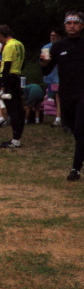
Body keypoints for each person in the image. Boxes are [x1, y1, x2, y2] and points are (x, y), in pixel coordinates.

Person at [41, 11, 84, 180]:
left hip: (82, 93)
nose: (72, 26)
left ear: (81, 25)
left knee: (80, 130)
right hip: (65, 94)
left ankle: (75, 169)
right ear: (65, 26)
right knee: (71, 127)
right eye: (68, 23)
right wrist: (43, 63)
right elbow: (46, 69)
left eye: (75, 23)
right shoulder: (58, 46)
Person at [0, 24, 25, 149]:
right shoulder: (19, 44)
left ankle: (15, 140)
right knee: (19, 107)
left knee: (13, 109)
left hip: (10, 78)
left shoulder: (8, 46)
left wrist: (2, 84)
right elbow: (23, 63)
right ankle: (17, 137)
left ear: (1, 35)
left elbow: (6, 66)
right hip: (17, 76)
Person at [42, 27, 62, 128]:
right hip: (50, 77)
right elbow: (44, 63)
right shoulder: (46, 47)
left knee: (59, 97)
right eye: (51, 36)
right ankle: (59, 115)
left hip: (60, 77)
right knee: (53, 96)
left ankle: (58, 118)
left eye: (54, 36)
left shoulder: (63, 46)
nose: (52, 38)